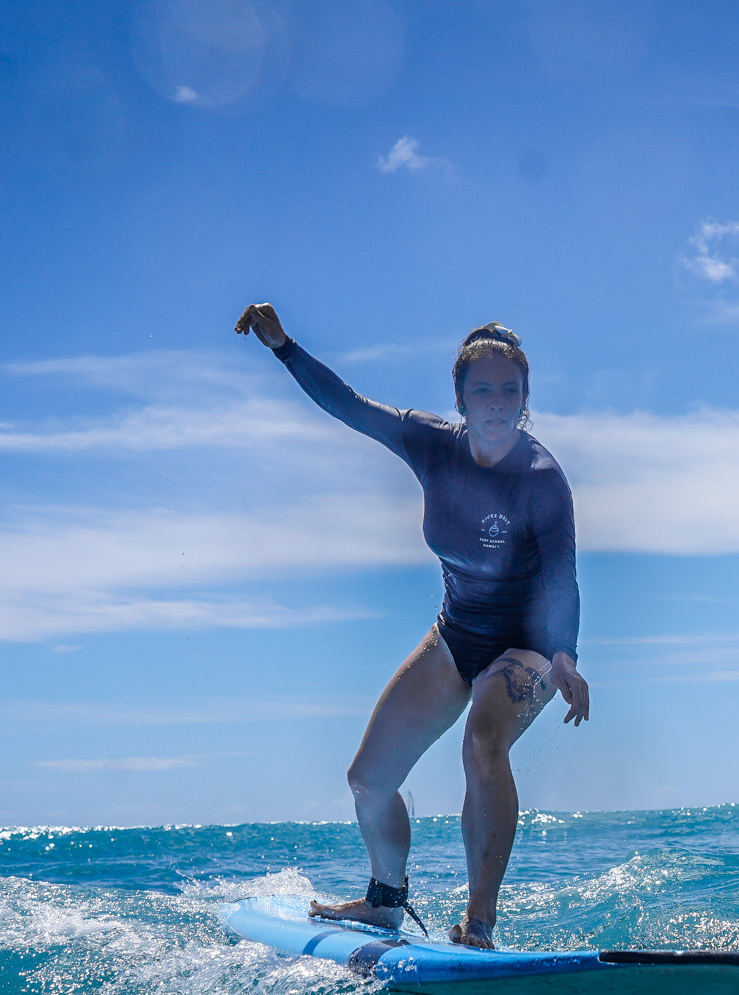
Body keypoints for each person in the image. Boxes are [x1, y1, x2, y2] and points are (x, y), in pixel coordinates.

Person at [234, 302, 590, 950]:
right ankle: (385, 901)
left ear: (525, 397)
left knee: (482, 741)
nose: (497, 403)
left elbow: (561, 575)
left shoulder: (542, 479)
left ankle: (478, 922)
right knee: (368, 778)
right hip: (456, 635)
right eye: (482, 390)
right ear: (460, 397)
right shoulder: (430, 443)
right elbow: (349, 406)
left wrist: (564, 653)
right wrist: (284, 346)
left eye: (509, 391)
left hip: (529, 647)